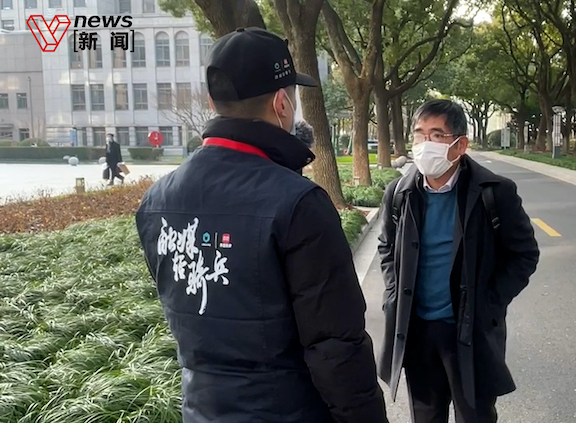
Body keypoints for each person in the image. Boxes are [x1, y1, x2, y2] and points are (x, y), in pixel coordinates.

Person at [134, 27, 388, 423]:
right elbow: (335, 345)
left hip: (202, 412)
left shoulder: (156, 202)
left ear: (212, 102)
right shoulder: (298, 203)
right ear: (282, 103)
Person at [377, 99, 540, 423]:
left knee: (475, 416)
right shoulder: (400, 193)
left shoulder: (494, 192)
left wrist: (489, 302)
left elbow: (524, 254)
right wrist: (394, 294)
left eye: (437, 135)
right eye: (420, 134)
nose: (425, 144)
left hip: (470, 332)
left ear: (460, 145)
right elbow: (386, 247)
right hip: (418, 332)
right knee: (425, 417)